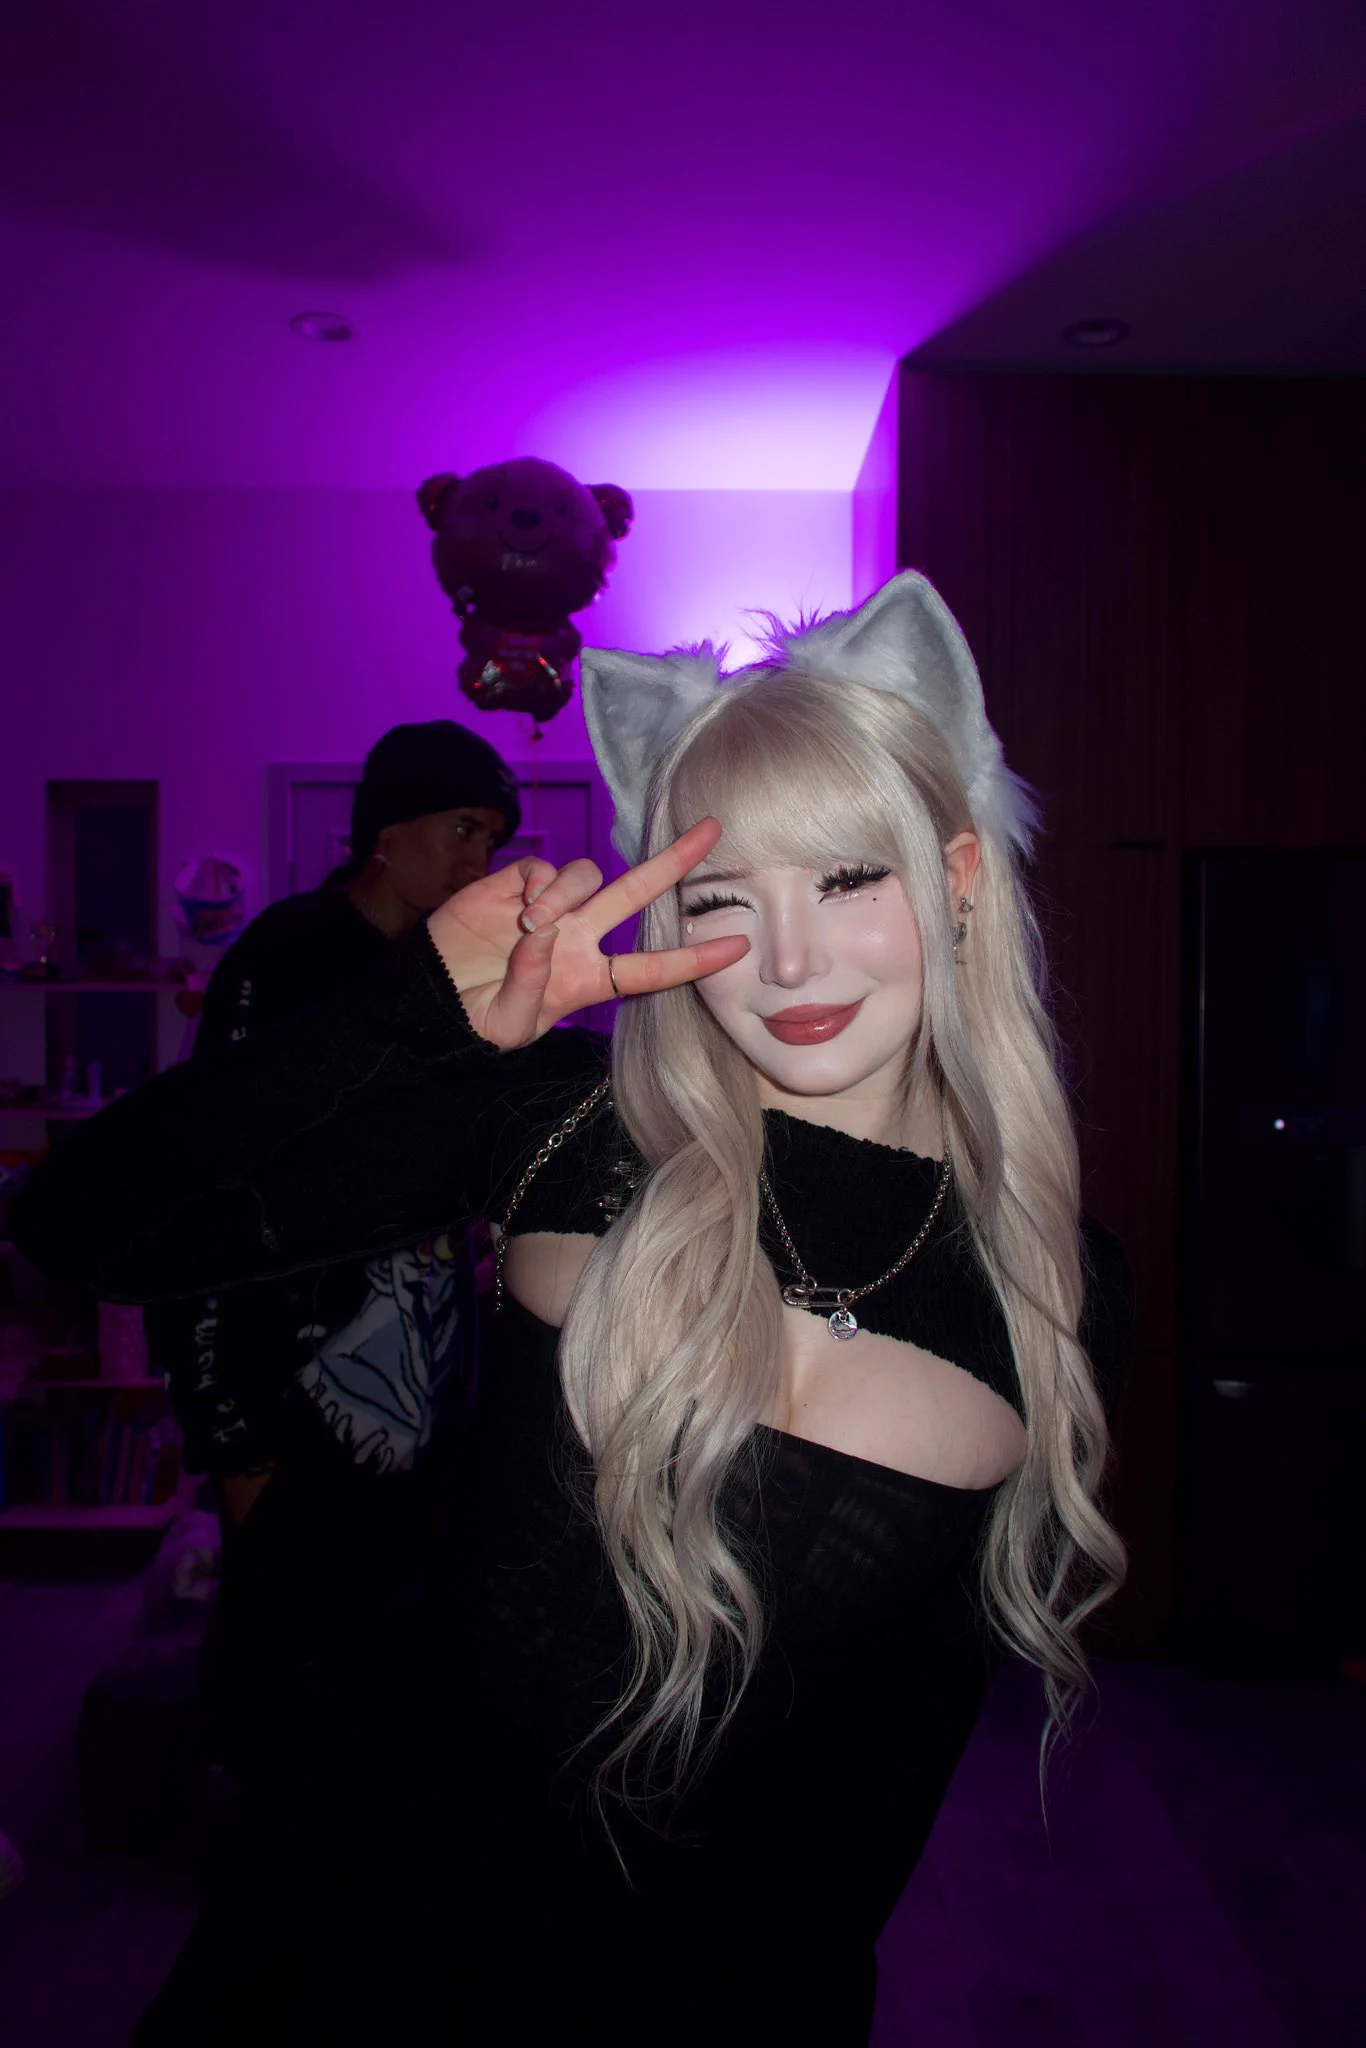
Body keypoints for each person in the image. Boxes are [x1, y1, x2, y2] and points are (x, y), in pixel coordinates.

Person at [13, 574, 1130, 2046]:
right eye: (722, 897)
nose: (788, 962)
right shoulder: (568, 1130)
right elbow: (80, 1223)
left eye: (850, 878)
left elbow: (875, 1790)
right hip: (322, 1963)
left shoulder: (1049, 1282)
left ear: (960, 875)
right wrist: (415, 1013)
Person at [144, 718, 519, 1784]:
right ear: (383, 834)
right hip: (295, 1418)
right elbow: (201, 1195)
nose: (478, 860)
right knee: (280, 1713)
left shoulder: (450, 974)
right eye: (460, 829)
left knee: (389, 1714)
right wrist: (231, 1434)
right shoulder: (288, 959)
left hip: (421, 1419)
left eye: (491, 838)